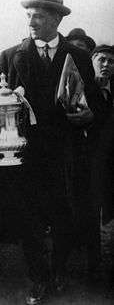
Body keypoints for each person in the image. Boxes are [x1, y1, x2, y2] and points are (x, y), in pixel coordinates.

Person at [0, 0, 103, 304]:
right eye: (29, 15)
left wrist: (87, 115)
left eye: (39, 16)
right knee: (28, 219)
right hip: (26, 155)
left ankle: (59, 269)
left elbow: (96, 110)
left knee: (64, 216)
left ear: (56, 19)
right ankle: (39, 278)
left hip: (66, 154)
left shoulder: (78, 56)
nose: (31, 22)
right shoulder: (9, 57)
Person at [90, 45, 114, 288]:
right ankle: (95, 268)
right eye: (101, 60)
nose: (106, 65)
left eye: (111, 61)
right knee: (93, 216)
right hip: (90, 162)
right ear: (93, 61)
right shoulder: (83, 90)